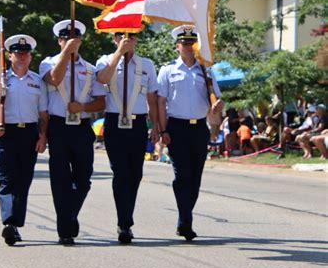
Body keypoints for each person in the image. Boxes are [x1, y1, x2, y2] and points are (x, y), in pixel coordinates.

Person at [39, 20, 105, 245]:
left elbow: (100, 102)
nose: (71, 42)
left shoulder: (89, 68)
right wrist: (65, 55)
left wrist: (83, 107)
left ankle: (70, 215)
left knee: (84, 178)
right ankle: (65, 228)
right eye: (66, 39)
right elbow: (55, 79)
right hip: (58, 126)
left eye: (75, 39)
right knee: (60, 179)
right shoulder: (48, 63)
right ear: (59, 41)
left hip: (81, 127)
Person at [157, 25, 223, 241]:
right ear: (177, 46)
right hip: (176, 127)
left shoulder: (206, 70)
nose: (188, 46)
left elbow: (216, 102)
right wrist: (162, 129)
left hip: (198, 128)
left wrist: (216, 112)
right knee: (182, 175)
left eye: (191, 43)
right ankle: (185, 219)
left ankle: (185, 216)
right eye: (184, 43)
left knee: (195, 177)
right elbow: (161, 102)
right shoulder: (167, 70)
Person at [0, 34, 48, 246]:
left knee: (23, 180)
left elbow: (43, 113)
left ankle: (15, 223)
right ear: (10, 56)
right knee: (6, 178)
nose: (22, 56)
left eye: (26, 53)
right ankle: (9, 222)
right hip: (5, 133)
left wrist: (43, 136)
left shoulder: (38, 81)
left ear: (30, 57)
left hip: (28, 133)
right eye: (18, 53)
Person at [96, 32, 159, 244]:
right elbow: (102, 79)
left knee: (135, 174)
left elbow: (152, 96)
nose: (127, 39)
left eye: (131, 35)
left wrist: (156, 125)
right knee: (120, 173)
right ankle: (124, 223)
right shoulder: (106, 60)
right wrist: (119, 53)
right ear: (114, 39)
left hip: (138, 123)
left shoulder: (146, 64)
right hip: (115, 122)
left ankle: (126, 216)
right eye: (121, 36)